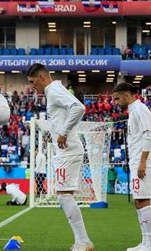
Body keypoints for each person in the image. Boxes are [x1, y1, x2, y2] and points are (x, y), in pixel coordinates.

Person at [26, 63, 93, 251]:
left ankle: (83, 242)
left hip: (68, 149)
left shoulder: (53, 90)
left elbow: (79, 108)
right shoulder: (52, 92)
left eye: (33, 82)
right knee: (65, 196)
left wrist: (63, 132)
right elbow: (60, 120)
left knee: (64, 197)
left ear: (41, 77)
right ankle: (82, 241)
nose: (33, 87)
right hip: (65, 150)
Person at [113, 82, 151, 251]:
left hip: (142, 162)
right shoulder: (133, 112)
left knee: (143, 200)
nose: (116, 102)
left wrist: (143, 162)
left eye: (117, 98)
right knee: (139, 201)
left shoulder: (140, 109)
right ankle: (145, 242)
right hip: (137, 162)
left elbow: (148, 136)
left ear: (126, 95)